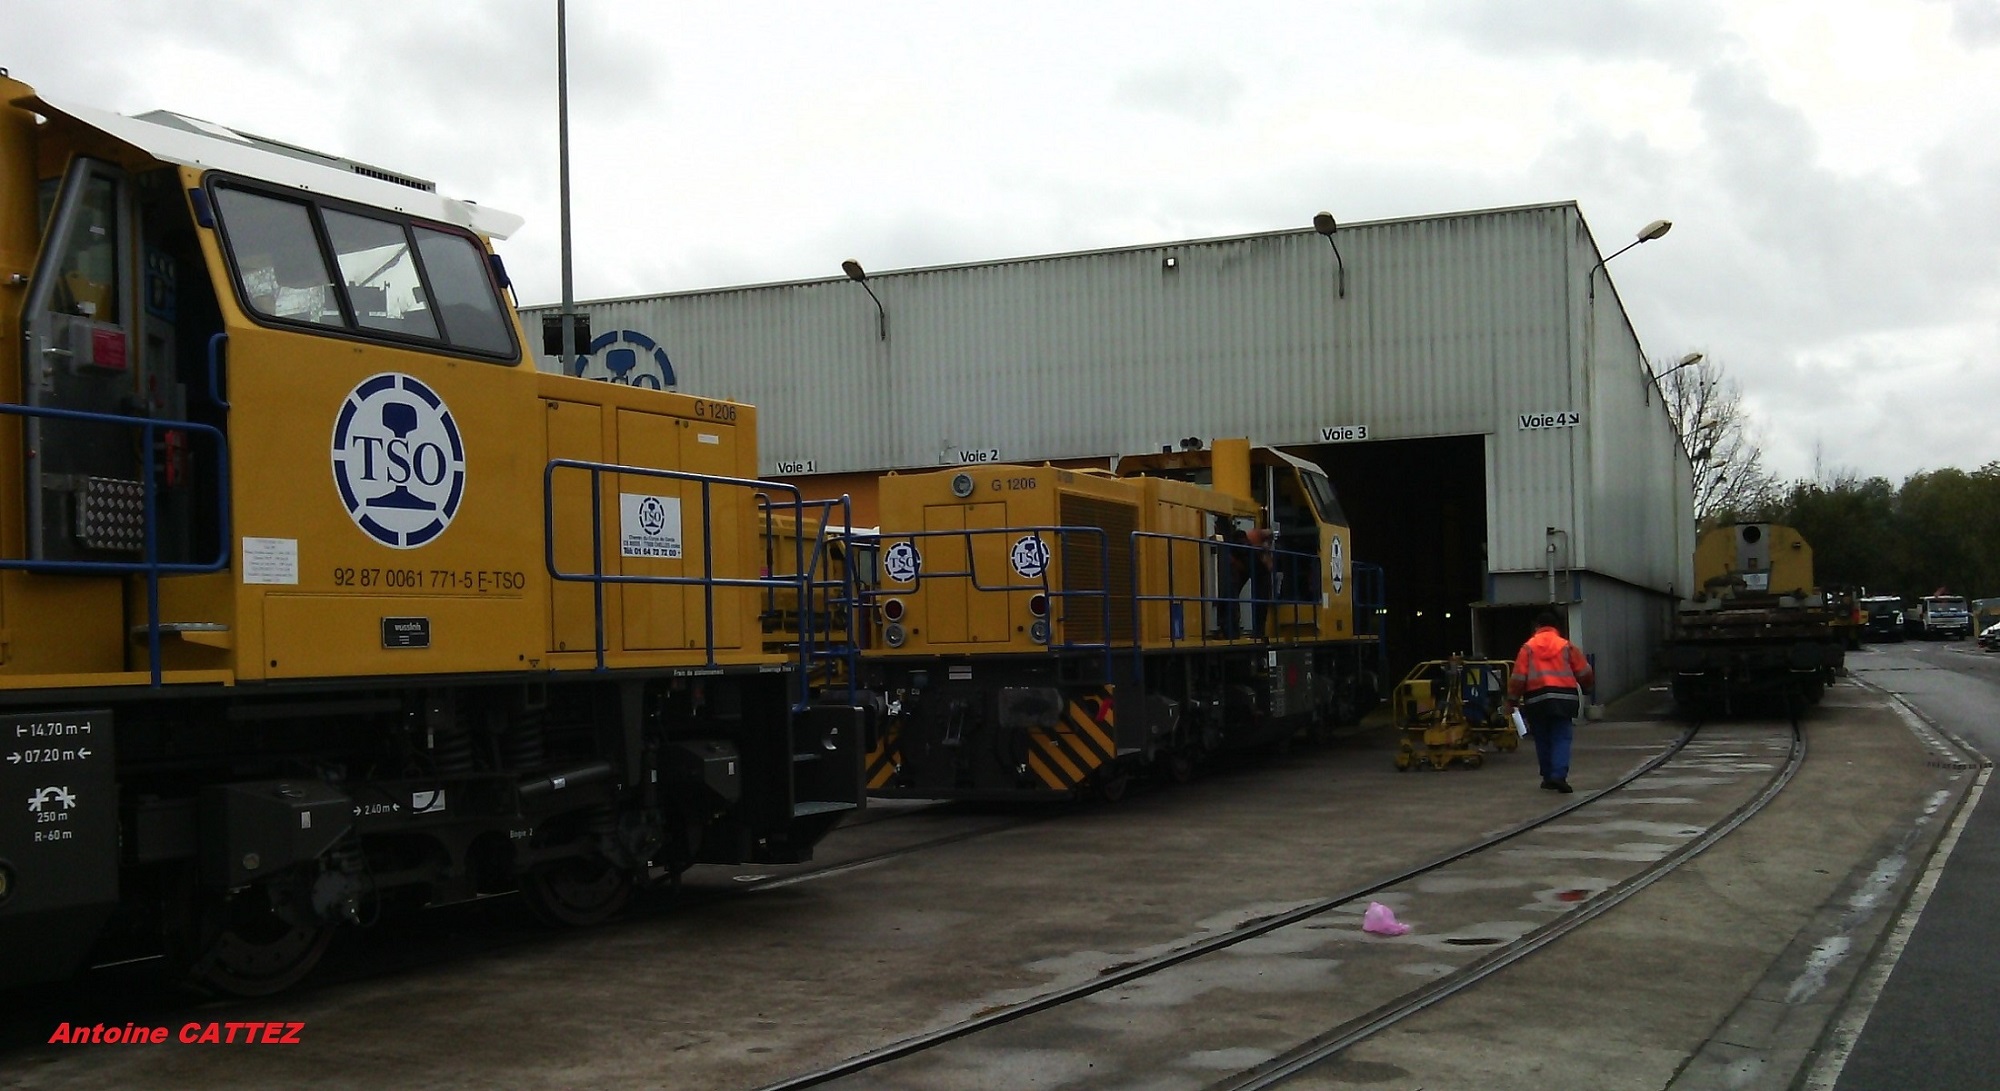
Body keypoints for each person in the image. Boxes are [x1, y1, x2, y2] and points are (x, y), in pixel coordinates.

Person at [1507, 610, 1594, 793]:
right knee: (1561, 736)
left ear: (1537, 626)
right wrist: (1587, 687)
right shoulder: (1566, 646)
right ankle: (1559, 775)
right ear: (1556, 627)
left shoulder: (1528, 648)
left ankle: (1548, 777)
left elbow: (1518, 677)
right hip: (1564, 698)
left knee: (1542, 738)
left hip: (1536, 699)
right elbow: (1584, 671)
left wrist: (1512, 700)